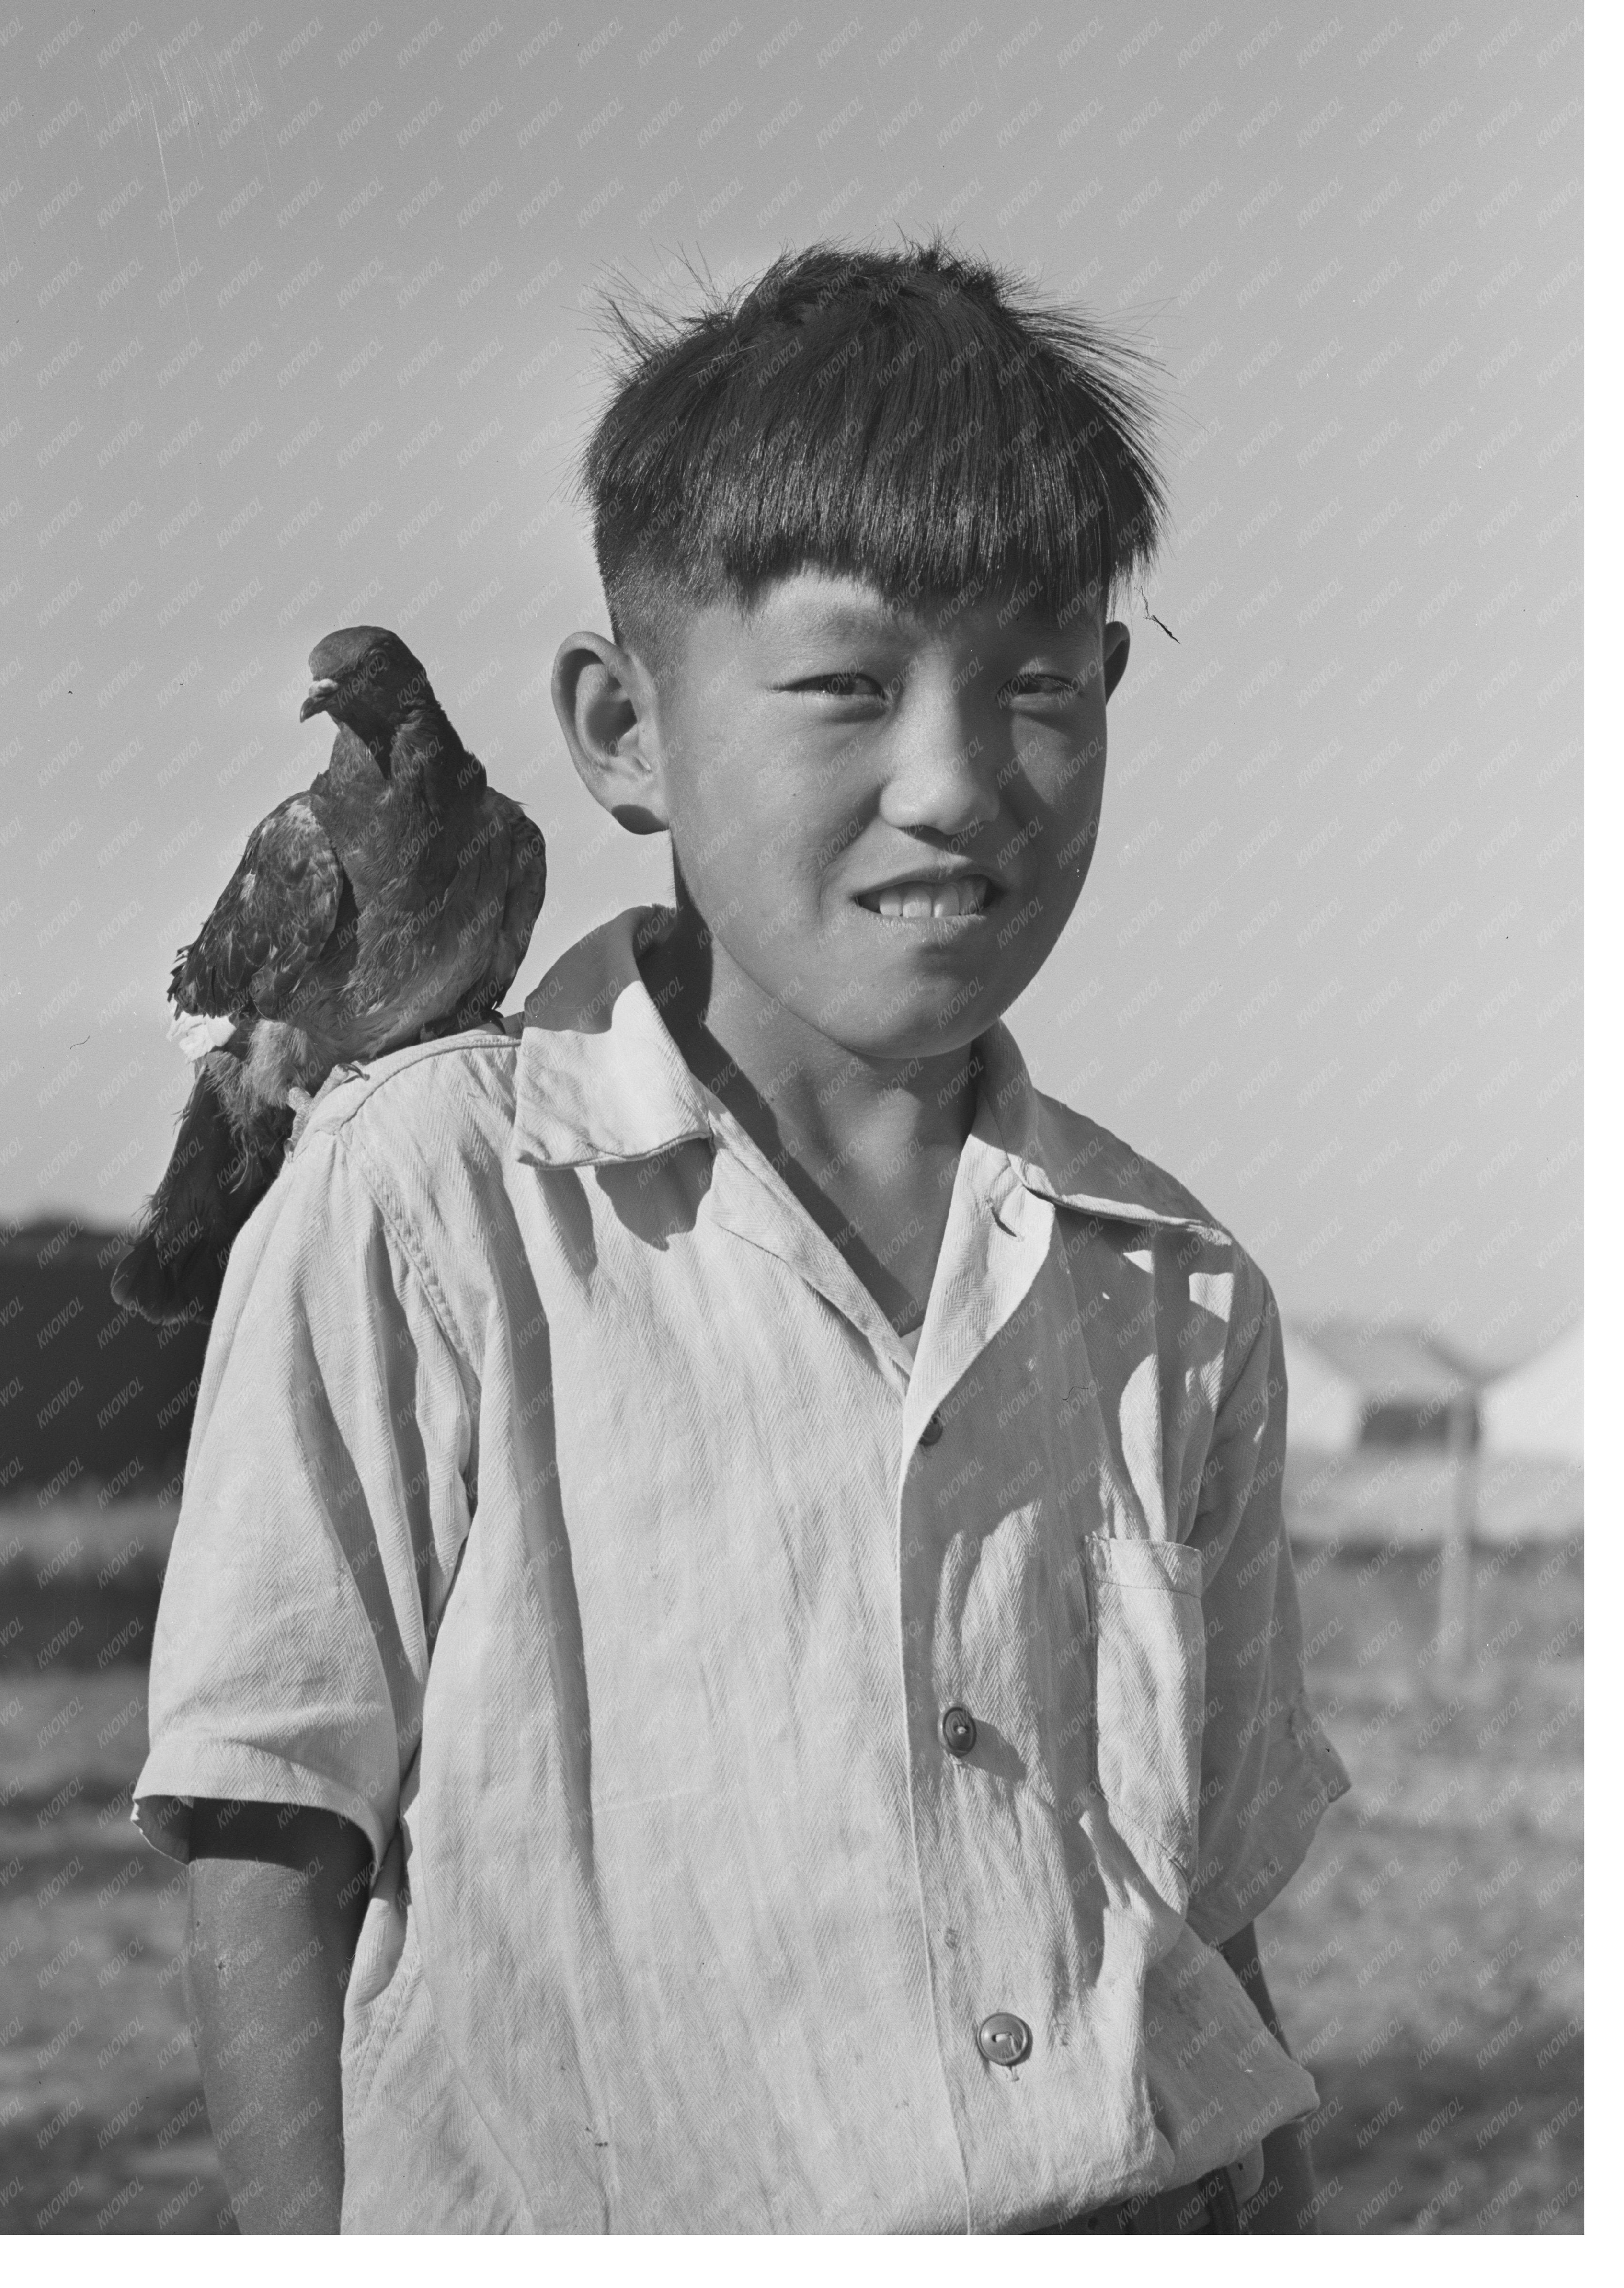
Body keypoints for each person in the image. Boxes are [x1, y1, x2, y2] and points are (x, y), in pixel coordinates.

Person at [132, 239, 1352, 2233]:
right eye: (846, 685)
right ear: (623, 729)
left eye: (1038, 682)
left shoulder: (1173, 1285)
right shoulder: (430, 1201)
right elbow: (270, 1822)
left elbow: (1199, 1903)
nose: (954, 785)